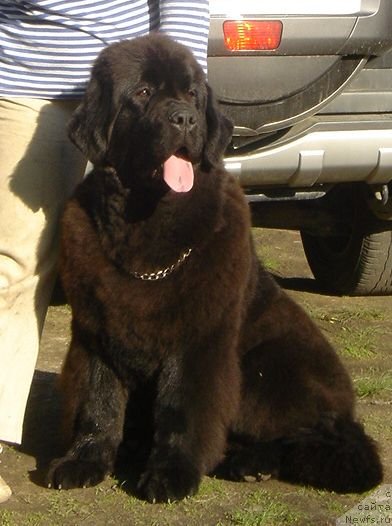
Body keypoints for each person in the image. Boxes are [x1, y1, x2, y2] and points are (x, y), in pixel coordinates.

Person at [0, 0, 210, 502]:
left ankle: (158, 433)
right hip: (26, 84)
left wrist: (183, 98)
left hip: (138, 95)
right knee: (13, 266)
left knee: (165, 276)